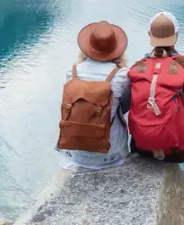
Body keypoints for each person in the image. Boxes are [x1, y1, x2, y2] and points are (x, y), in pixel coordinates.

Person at [127, 12, 184, 192]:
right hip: (180, 150)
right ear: (176, 36)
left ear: (149, 36)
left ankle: (137, 154)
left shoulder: (137, 68)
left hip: (143, 148)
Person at [56, 20, 132, 170]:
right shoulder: (121, 76)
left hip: (76, 155)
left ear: (88, 48)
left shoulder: (72, 73)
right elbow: (124, 108)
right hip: (111, 155)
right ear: (116, 49)